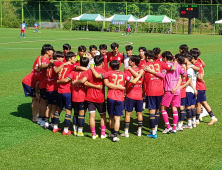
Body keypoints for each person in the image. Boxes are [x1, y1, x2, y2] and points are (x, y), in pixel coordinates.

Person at [90, 59, 143, 142]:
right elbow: (133, 81)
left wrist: (92, 68)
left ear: (110, 66)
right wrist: (140, 74)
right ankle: (115, 136)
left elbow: (97, 76)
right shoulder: (124, 74)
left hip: (110, 97)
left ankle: (111, 132)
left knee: (111, 116)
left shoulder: (108, 73)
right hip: (120, 98)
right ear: (119, 66)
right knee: (117, 118)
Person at [143, 50, 178, 138]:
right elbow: (173, 68)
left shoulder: (145, 66)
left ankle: (153, 132)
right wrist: (175, 60)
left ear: (147, 57)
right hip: (160, 91)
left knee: (151, 111)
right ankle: (155, 128)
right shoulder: (161, 64)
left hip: (150, 90)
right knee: (157, 110)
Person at [72, 55, 107, 139]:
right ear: (103, 63)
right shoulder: (104, 71)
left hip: (90, 97)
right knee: (103, 116)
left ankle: (94, 134)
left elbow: (83, 81)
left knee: (92, 116)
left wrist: (75, 82)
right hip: (100, 98)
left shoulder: (89, 71)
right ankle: (103, 134)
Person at [190, 49, 218, 125]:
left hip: (199, 86)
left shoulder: (196, 65)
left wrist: (200, 78)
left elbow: (199, 76)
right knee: (200, 103)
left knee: (201, 103)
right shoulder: (199, 62)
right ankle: (198, 119)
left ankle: (211, 118)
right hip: (200, 86)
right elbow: (203, 66)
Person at [160, 51, 184, 134]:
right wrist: (177, 87)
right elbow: (182, 75)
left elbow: (162, 76)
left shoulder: (165, 66)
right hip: (177, 90)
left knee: (163, 108)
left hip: (169, 90)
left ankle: (168, 127)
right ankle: (174, 127)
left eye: (163, 57)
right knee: (174, 108)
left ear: (165, 58)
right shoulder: (178, 65)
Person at [121, 55, 144, 137]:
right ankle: (139, 131)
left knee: (128, 113)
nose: (128, 62)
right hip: (139, 96)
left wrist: (124, 92)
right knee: (139, 113)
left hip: (130, 95)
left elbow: (125, 82)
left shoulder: (127, 70)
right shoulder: (141, 71)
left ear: (133, 62)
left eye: (130, 60)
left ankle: (126, 132)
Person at [180, 53, 198, 129]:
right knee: (193, 106)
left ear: (187, 58)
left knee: (188, 107)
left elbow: (189, 80)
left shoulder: (189, 69)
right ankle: (194, 122)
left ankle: (189, 123)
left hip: (189, 89)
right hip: (193, 89)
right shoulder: (193, 67)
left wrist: (194, 89)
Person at [38, 44, 54, 127]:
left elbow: (39, 67)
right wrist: (50, 64)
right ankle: (44, 120)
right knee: (45, 103)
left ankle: (40, 119)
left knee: (42, 102)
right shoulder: (44, 58)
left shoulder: (41, 58)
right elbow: (43, 66)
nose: (53, 51)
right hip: (45, 84)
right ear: (47, 51)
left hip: (42, 83)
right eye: (52, 50)